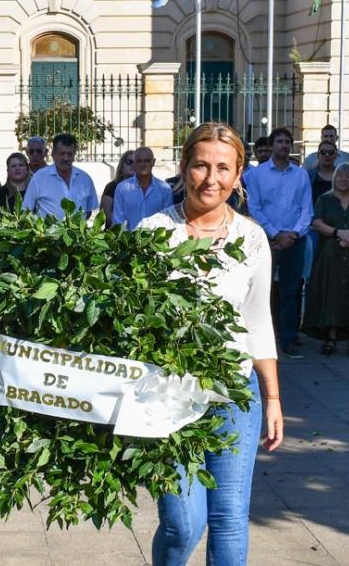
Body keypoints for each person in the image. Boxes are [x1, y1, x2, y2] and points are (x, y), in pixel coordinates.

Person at [138, 123, 282, 566]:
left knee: (229, 519)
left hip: (235, 397)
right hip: (169, 397)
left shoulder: (252, 238)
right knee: (183, 523)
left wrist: (272, 397)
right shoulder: (152, 232)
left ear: (238, 175)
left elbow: (258, 320)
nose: (211, 178)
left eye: (224, 167)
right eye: (201, 165)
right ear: (184, 169)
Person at [246, 127, 314, 357]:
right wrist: (275, 234)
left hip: (295, 240)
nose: (284, 145)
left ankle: (288, 339)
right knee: (261, 291)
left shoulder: (301, 174)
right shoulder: (256, 175)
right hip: (267, 240)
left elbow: (307, 209)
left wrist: (293, 234)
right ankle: (259, 341)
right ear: (272, 145)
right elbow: (255, 208)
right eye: (279, 141)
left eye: (287, 142)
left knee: (291, 291)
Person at [304, 163, 349, 355]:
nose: (344, 179)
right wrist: (339, 233)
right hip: (331, 253)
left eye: (348, 176)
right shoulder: (325, 199)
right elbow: (317, 223)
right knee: (332, 292)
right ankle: (331, 335)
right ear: (334, 178)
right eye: (340, 176)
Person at [23, 133, 98, 219]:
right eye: (62, 154)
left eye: (69, 154)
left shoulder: (85, 179)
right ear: (53, 154)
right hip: (48, 232)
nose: (66, 158)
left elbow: (89, 211)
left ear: (74, 155)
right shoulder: (39, 178)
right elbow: (27, 210)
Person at [112, 146, 172, 231]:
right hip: (129, 242)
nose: (143, 165)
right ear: (134, 163)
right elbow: (118, 221)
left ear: (153, 162)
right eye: (139, 161)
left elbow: (168, 221)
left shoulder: (164, 189)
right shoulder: (122, 188)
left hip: (156, 242)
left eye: (147, 161)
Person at [100, 150, 135, 224]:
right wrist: (121, 227)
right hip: (115, 232)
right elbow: (105, 212)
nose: (133, 165)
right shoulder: (112, 187)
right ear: (122, 166)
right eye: (129, 162)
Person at [307, 140, 339, 205]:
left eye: (331, 152)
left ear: (335, 155)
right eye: (323, 152)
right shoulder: (309, 176)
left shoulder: (342, 175)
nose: (327, 155)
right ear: (318, 155)